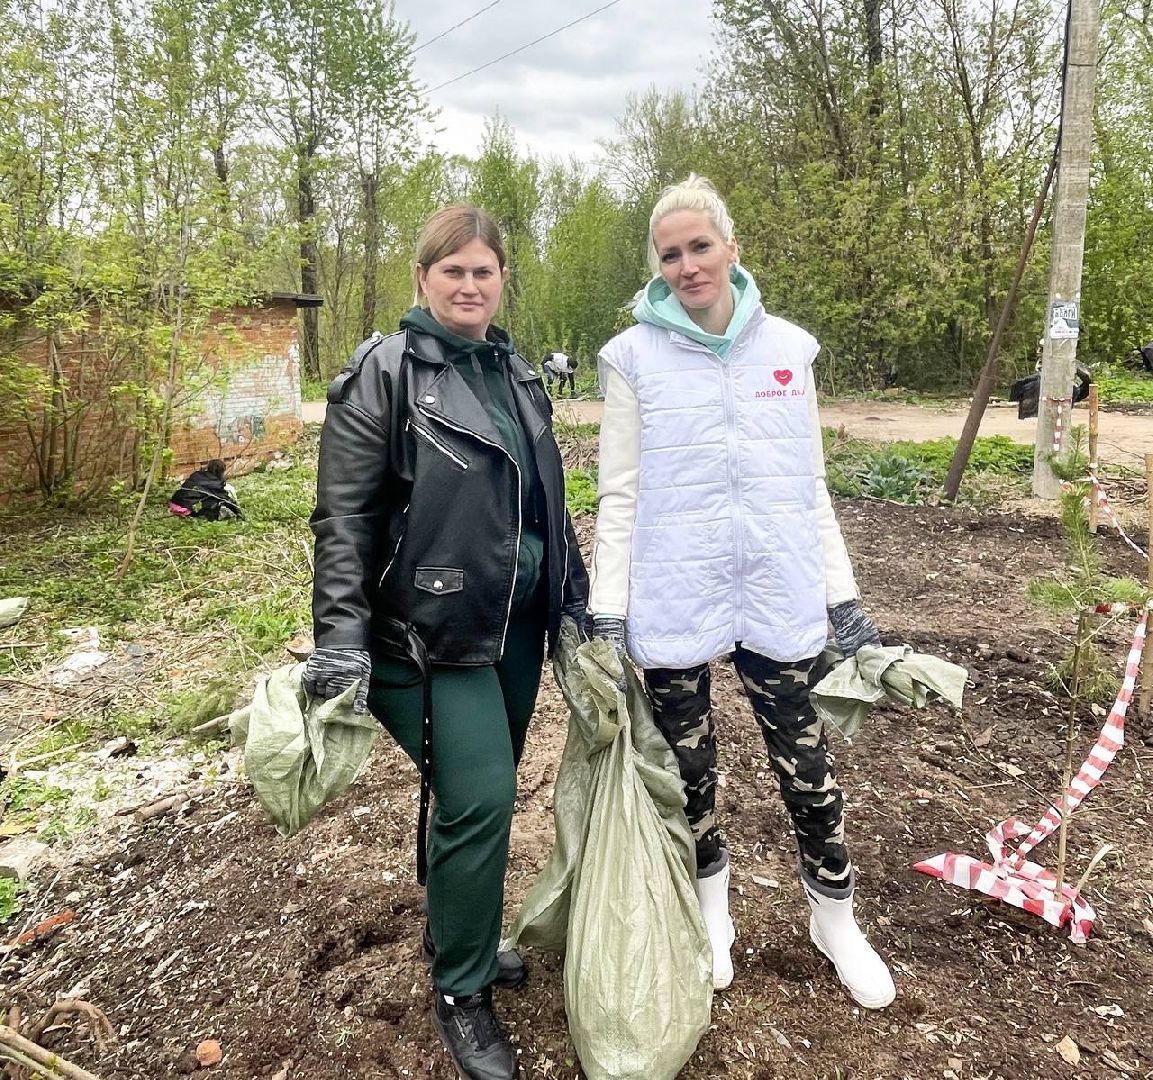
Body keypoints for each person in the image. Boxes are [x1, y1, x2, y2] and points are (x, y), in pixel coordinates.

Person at [588, 175, 895, 1010]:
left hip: (775, 587)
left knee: (808, 766)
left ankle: (834, 919)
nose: (687, 265)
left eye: (700, 246)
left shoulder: (789, 351)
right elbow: (618, 494)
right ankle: (709, 914)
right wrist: (608, 613)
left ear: (730, 247)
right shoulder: (631, 359)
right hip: (673, 591)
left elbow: (809, 484)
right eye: (670, 254)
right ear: (657, 266)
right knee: (687, 774)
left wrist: (842, 598)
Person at [304, 205, 589, 1080]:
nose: (469, 285)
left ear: (502, 279)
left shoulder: (517, 374)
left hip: (513, 626)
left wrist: (574, 600)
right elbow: (344, 519)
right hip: (424, 635)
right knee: (481, 794)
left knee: (475, 799)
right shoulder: (384, 373)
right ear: (423, 278)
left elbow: (546, 504)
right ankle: (461, 991)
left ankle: (455, 931)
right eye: (452, 270)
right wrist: (339, 639)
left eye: (483, 271)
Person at [168, 459, 241, 520]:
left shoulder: (197, 474)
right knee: (214, 503)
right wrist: (238, 512)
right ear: (221, 472)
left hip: (174, 503)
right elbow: (225, 499)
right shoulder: (216, 483)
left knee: (208, 497)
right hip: (185, 508)